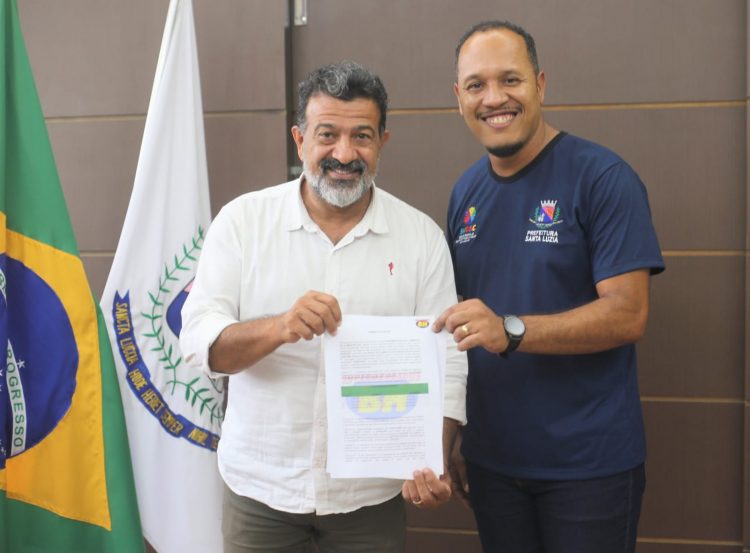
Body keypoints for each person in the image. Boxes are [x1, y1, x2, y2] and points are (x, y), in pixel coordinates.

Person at [179, 61, 467, 553]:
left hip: (370, 498)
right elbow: (202, 346)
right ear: (300, 140)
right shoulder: (242, 222)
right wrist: (280, 327)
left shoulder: (421, 238)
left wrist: (434, 458)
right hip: (260, 492)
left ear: (383, 142)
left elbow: (449, 361)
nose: (344, 154)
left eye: (362, 136)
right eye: (327, 134)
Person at [432, 20, 665, 553]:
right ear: (459, 98)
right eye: (476, 85)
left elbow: (628, 314)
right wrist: (459, 433)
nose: (494, 98)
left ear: (540, 84)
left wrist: (511, 330)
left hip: (588, 468)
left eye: (510, 80)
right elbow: (463, 329)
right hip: (493, 464)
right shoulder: (465, 192)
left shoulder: (603, 178)